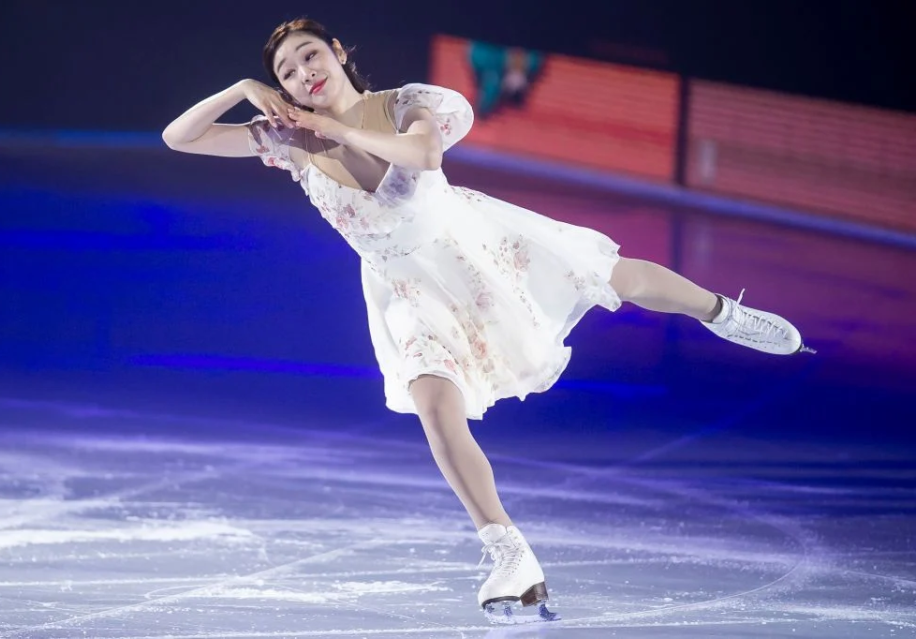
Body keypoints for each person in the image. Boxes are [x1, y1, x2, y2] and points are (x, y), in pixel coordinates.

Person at [162, 17, 813, 624]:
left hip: (472, 243)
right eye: (286, 70)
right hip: (405, 290)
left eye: (311, 54)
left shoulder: (402, 102)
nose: (304, 72)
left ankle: (722, 311)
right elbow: (179, 137)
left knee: (615, 276)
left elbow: (422, 157)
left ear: (338, 54)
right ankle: (510, 553)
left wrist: (341, 131)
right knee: (437, 414)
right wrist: (242, 88)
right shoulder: (287, 139)